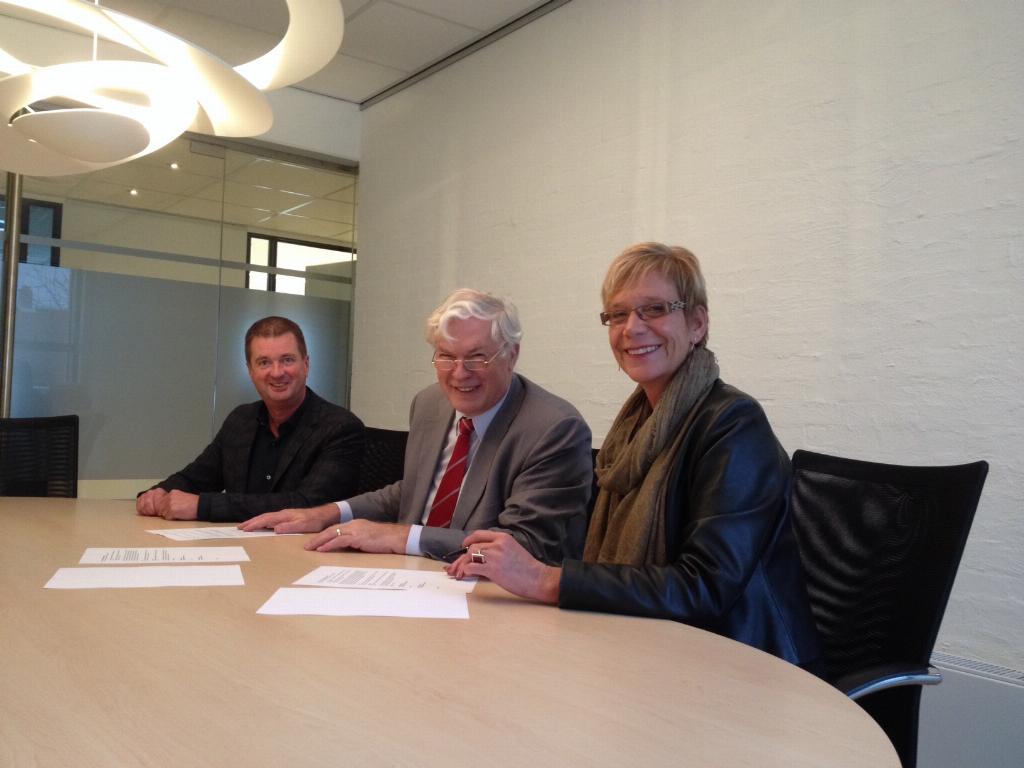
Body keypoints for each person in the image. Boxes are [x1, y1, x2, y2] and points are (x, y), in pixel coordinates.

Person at [448, 244, 821, 669]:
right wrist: (517, 566)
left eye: (655, 309)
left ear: (697, 323)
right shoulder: (635, 426)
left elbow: (704, 588)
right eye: (618, 314)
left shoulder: (734, 424)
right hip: (649, 650)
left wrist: (544, 579)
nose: (632, 328)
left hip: (743, 668)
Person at [241, 289, 592, 564]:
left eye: (477, 357)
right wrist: (328, 513)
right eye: (447, 356)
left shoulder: (553, 428)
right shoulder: (429, 404)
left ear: (511, 355)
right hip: (406, 578)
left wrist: (397, 537)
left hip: (493, 598)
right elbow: (412, 491)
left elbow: (525, 547)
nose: (459, 373)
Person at [136, 316, 364, 523]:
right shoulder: (241, 420)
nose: (277, 372)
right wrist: (159, 493)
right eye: (264, 362)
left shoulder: (340, 428)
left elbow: (307, 504)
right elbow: (197, 477)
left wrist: (203, 506)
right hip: (241, 545)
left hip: (303, 550)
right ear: (250, 371)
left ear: (306, 364)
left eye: (287, 360)